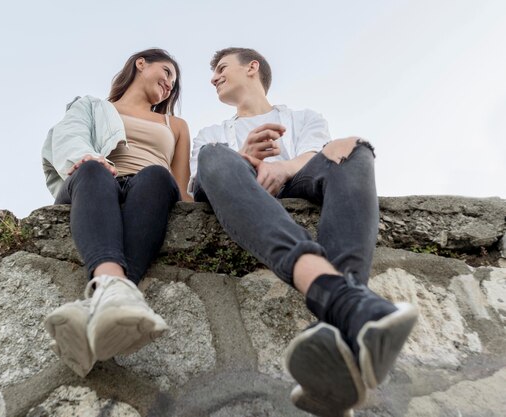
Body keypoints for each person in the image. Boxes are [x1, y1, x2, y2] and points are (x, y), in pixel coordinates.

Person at [190, 47, 418, 417]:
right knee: (215, 155)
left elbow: (318, 154)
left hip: (298, 181)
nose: (213, 77)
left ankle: (341, 325)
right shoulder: (212, 133)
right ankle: (350, 312)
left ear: (252, 68)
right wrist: (246, 157)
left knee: (352, 147)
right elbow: (199, 183)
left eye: (220, 68)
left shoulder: (303, 117)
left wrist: (283, 169)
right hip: (238, 187)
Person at [41, 48, 191, 378]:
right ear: (141, 64)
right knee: (94, 170)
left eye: (174, 83)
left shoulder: (176, 125)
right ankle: (115, 289)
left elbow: (180, 189)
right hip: (94, 184)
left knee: (156, 174)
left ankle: (97, 308)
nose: (169, 84)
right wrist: (87, 157)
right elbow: (69, 136)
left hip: (146, 192)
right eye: (166, 73)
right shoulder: (93, 106)